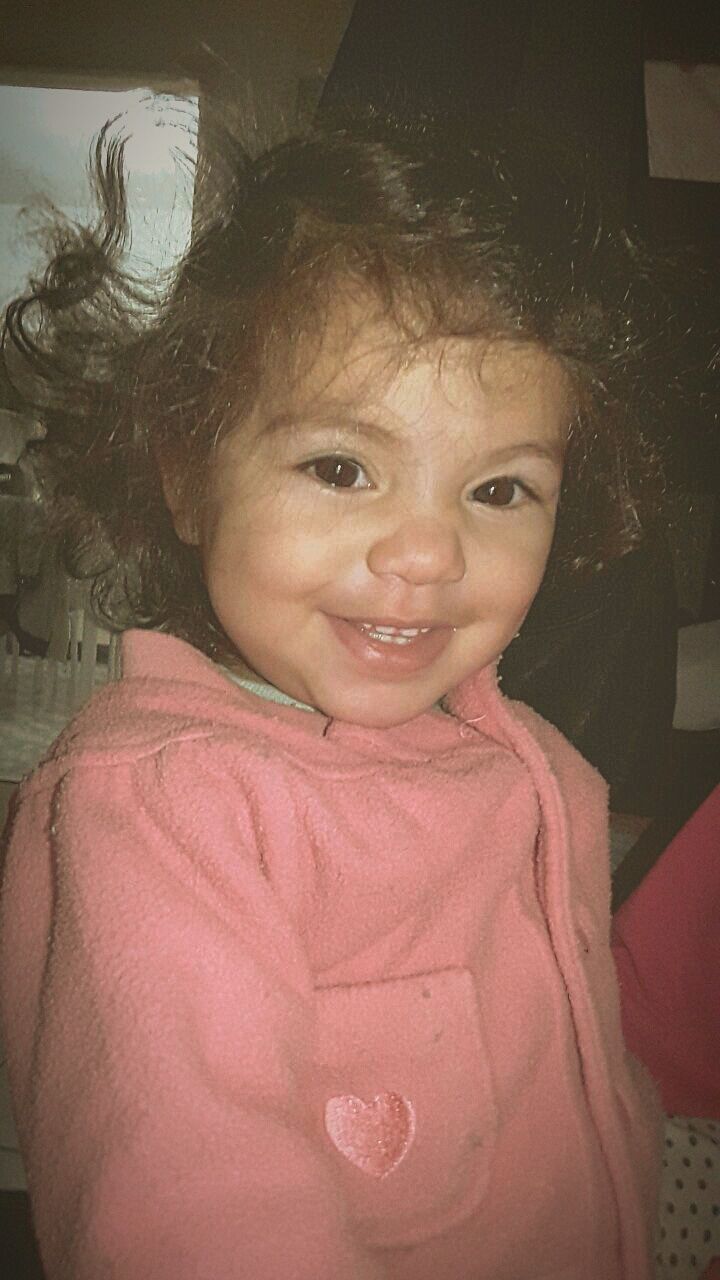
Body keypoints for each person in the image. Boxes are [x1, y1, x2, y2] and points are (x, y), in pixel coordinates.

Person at [0, 108, 679, 1279]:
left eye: (500, 490)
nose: (425, 552)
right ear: (188, 472)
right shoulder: (167, 807)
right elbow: (188, 1210)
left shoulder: (537, 764)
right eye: (341, 467)